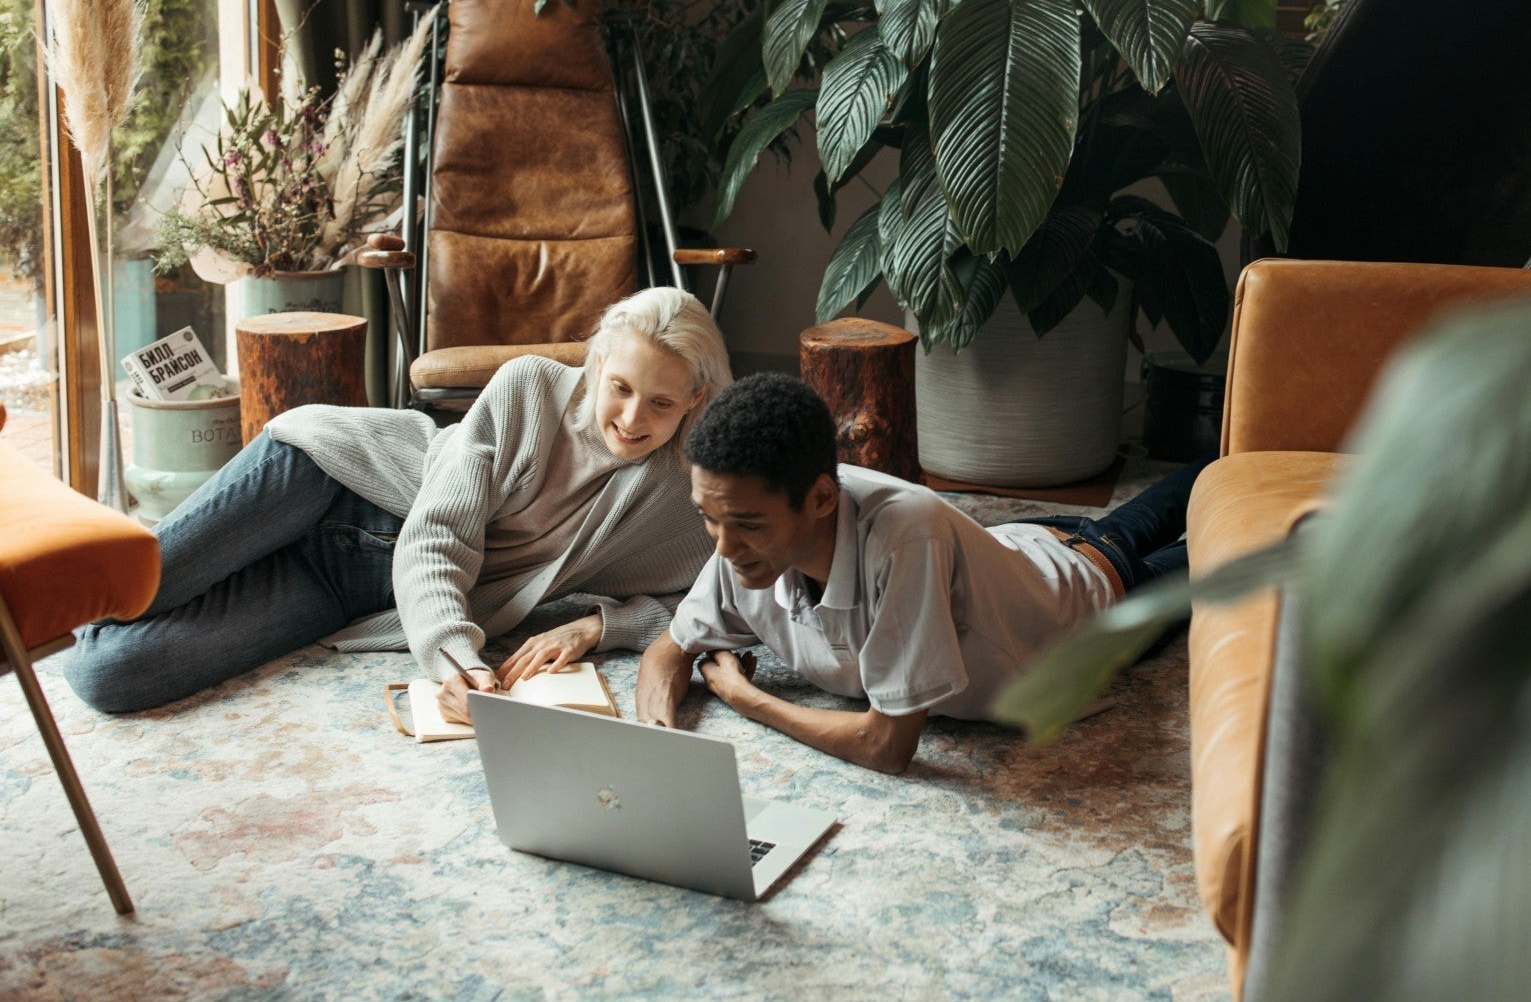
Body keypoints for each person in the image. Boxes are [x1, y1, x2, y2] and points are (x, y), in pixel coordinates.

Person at [66, 287, 731, 722]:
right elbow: (437, 538)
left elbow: (712, 601)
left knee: (109, 675)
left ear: (695, 400)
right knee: (126, 591)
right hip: (325, 479)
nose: (632, 417)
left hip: (351, 587)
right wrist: (457, 658)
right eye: (618, 387)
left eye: (662, 403)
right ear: (594, 364)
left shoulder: (682, 497)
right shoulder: (529, 388)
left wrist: (598, 627)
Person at [633, 373, 1207, 774]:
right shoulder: (743, 533)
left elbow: (887, 746)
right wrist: (653, 738)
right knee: (1192, 492)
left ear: (822, 498)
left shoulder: (905, 539)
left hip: (1091, 590)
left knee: (1233, 526)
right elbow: (672, 649)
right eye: (708, 518)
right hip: (1014, 546)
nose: (724, 547)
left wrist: (745, 696)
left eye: (746, 525)